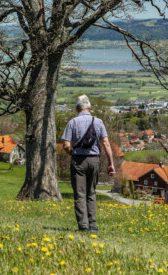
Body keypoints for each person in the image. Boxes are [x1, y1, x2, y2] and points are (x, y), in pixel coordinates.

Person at [62, 94, 115, 232]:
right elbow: (106, 144)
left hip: (78, 160)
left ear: (77, 108)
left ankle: (83, 227)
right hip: (94, 160)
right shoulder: (98, 122)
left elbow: (66, 145)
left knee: (80, 194)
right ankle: (93, 225)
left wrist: (72, 154)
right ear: (89, 107)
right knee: (91, 192)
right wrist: (111, 164)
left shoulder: (72, 123)